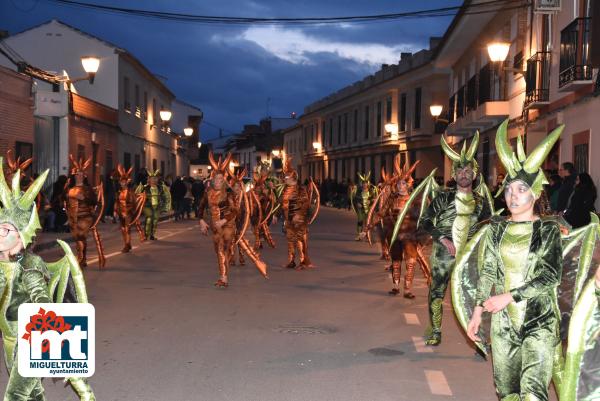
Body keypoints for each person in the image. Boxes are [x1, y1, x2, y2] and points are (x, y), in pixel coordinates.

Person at [467, 121, 564, 401]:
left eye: (521, 190)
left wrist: (510, 296)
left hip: (540, 321)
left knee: (533, 394)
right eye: (510, 189)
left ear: (535, 194)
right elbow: (487, 272)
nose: (513, 195)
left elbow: (550, 276)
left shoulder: (548, 228)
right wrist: (477, 311)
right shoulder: (496, 228)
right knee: (507, 393)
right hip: (503, 325)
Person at [0, 158, 95, 401]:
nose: (0, 234)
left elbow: (39, 294)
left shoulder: (29, 264)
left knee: (15, 395)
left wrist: (44, 308)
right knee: (33, 393)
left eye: (6, 230)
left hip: (31, 337)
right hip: (9, 341)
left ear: (21, 237)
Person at [420, 132, 491, 345]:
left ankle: (478, 337)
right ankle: (435, 331)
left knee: (475, 297)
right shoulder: (442, 197)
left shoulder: (481, 201)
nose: (464, 174)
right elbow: (424, 221)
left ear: (474, 175)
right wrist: (441, 237)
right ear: (454, 174)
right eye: (460, 170)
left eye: (468, 170)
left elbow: (488, 226)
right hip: (444, 255)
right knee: (437, 293)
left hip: (470, 257)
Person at [365, 159, 431, 298]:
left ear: (408, 185)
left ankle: (407, 289)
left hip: (410, 235)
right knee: (396, 262)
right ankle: (396, 286)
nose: (401, 186)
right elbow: (381, 213)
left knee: (411, 263)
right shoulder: (392, 199)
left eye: (403, 184)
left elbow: (424, 216)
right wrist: (370, 225)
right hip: (394, 234)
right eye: (399, 184)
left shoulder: (415, 200)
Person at [198, 153, 240, 287]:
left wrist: (224, 220)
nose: (218, 181)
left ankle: (224, 277)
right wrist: (202, 221)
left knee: (224, 250)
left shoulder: (228, 192)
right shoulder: (208, 192)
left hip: (228, 225)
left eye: (221, 179)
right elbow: (201, 207)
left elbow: (235, 211)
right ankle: (224, 276)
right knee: (219, 251)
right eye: (216, 179)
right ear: (212, 178)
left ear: (224, 180)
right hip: (215, 226)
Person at [64, 156, 105, 268]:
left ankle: (81, 259)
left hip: (85, 216)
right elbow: (64, 202)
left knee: (81, 236)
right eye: (77, 175)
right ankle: (83, 258)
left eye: (81, 175)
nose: (79, 177)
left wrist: (84, 198)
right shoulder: (70, 188)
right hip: (73, 217)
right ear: (74, 175)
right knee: (77, 238)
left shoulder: (88, 189)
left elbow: (94, 201)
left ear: (84, 176)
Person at [278, 158, 318, 269]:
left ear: (293, 178)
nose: (285, 179)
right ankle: (291, 261)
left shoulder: (301, 190)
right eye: (285, 177)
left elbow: (306, 204)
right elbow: (281, 204)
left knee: (300, 241)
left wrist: (298, 215)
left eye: (286, 177)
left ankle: (303, 261)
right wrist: (278, 215)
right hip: (288, 220)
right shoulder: (285, 190)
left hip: (299, 220)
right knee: (290, 241)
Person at [115, 164, 145, 252]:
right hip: (121, 212)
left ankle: (127, 245)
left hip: (128, 213)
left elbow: (133, 203)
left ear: (127, 182)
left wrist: (129, 211)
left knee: (127, 228)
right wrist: (115, 210)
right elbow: (116, 201)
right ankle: (127, 243)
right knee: (123, 229)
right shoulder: (119, 191)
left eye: (123, 182)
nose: (122, 183)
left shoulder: (130, 192)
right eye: (121, 182)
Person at [136, 170, 171, 240]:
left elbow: (167, 196)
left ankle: (152, 234)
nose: (154, 180)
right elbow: (137, 194)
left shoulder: (161, 187)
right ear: (149, 179)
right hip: (147, 205)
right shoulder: (145, 187)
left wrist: (166, 206)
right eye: (152, 179)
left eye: (155, 178)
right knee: (149, 218)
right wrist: (141, 189)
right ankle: (146, 234)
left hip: (157, 206)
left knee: (155, 221)